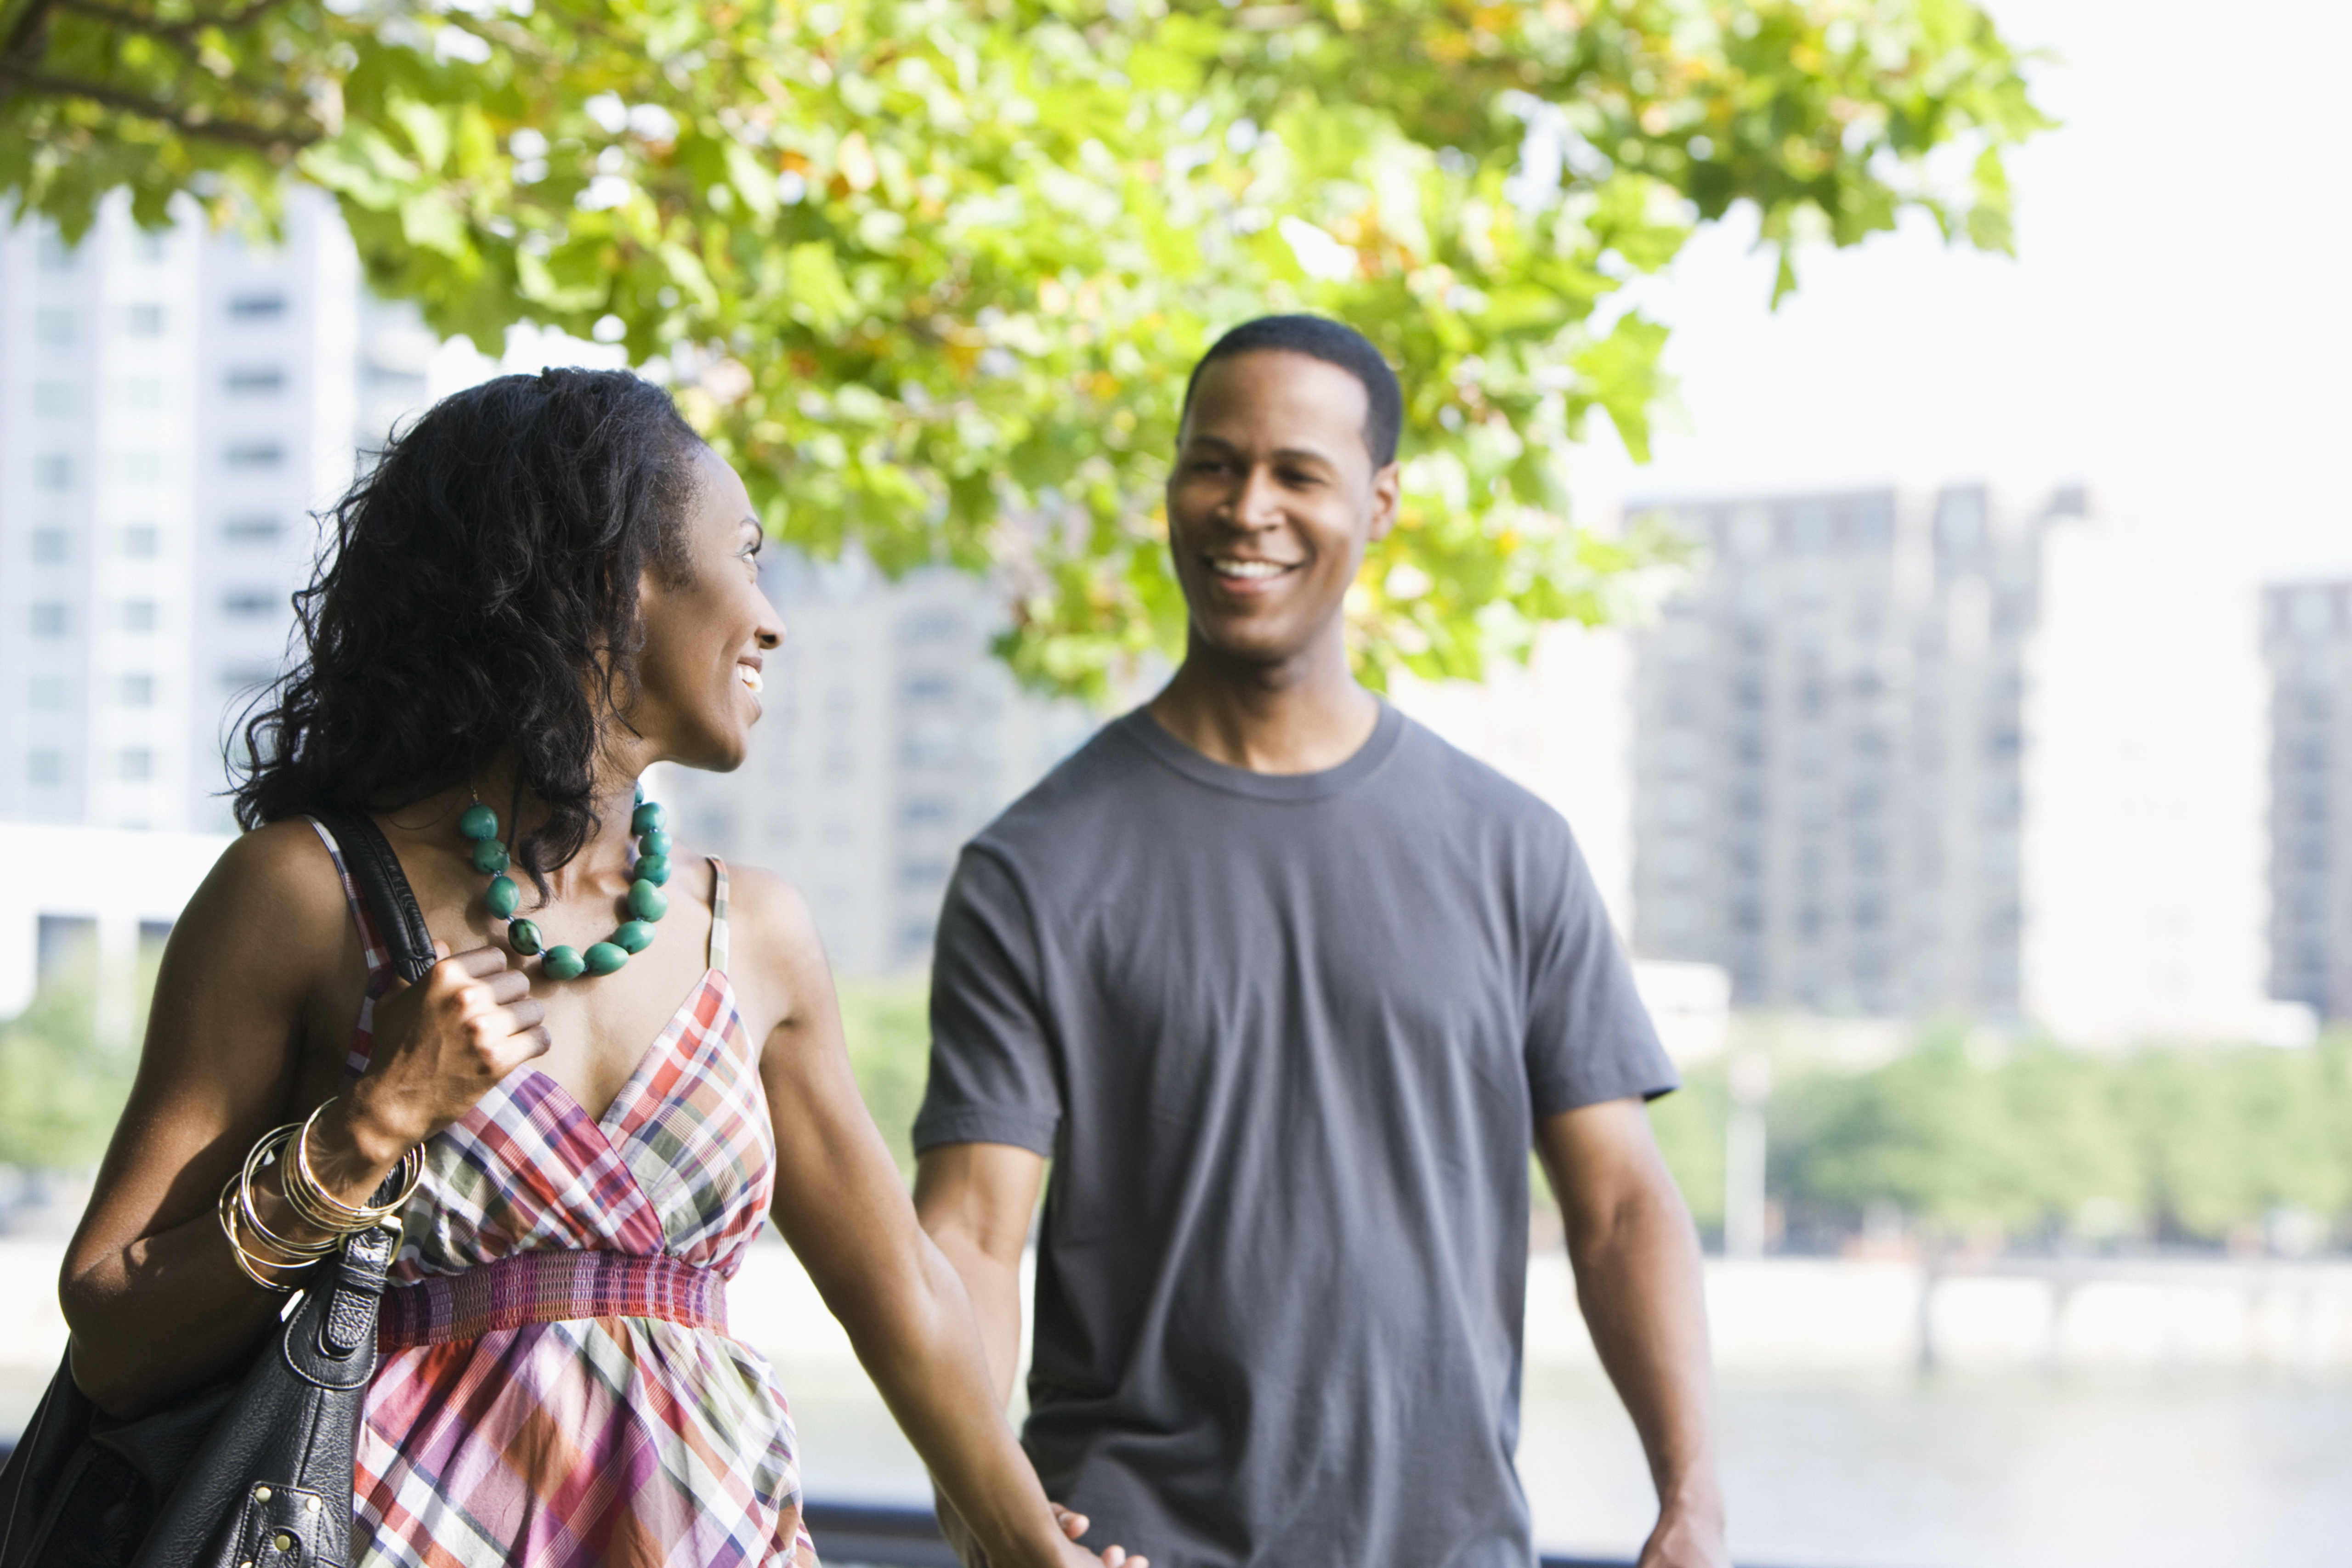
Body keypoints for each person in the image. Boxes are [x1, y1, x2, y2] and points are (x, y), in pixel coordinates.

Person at [59, 369, 1144, 1568]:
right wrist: (371, 1127)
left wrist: (1035, 1548)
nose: (772, 618)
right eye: (747, 555)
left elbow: (911, 1300)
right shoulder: (304, 896)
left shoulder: (758, 934)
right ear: (616, 579)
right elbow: (115, 1331)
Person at [912, 316, 1729, 1568]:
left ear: (1380, 502)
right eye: (1212, 464)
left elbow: (1620, 1208)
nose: (1248, 508)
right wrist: (988, 1515)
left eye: (1298, 472)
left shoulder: (1514, 851)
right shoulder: (1034, 868)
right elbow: (971, 1233)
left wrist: (1692, 1499)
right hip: (1136, 1547)